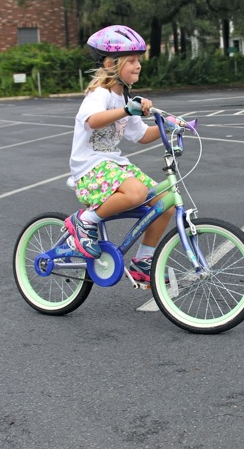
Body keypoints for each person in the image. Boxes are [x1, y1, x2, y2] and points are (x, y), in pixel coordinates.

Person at [65, 24, 180, 283]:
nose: (138, 65)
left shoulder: (125, 99)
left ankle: (143, 262)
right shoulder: (100, 94)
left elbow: (141, 135)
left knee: (165, 202)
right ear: (110, 64)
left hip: (112, 164)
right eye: (131, 60)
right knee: (136, 192)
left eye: (139, 60)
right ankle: (85, 221)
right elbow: (93, 120)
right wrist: (128, 110)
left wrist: (168, 126)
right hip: (89, 168)